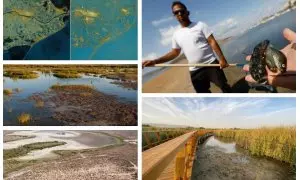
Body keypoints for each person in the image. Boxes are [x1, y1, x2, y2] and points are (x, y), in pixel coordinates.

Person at [142, 1, 232, 93]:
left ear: (187, 12)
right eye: (176, 12)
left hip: (211, 64)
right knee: (203, 93)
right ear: (174, 16)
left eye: (181, 11)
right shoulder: (176, 35)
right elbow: (174, 53)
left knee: (224, 86)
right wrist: (154, 61)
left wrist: (222, 59)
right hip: (195, 69)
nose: (179, 14)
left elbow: (212, 41)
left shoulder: (200, 25)